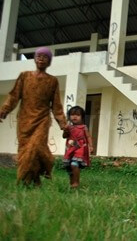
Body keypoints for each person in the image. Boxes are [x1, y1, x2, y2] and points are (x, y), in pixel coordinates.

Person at [0, 47, 67, 186]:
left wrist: (63, 124)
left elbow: (56, 106)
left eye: (45, 57)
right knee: (25, 150)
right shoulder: (24, 76)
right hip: (24, 120)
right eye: (38, 56)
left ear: (49, 61)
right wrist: (4, 111)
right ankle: (32, 179)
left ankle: (28, 177)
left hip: (42, 120)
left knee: (36, 147)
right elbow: (13, 96)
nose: (41, 59)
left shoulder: (53, 81)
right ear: (34, 59)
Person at [63, 106, 93, 188]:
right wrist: (65, 130)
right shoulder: (69, 127)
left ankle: (76, 182)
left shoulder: (84, 127)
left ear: (82, 117)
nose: (74, 117)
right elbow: (64, 136)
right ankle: (72, 183)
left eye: (77, 115)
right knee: (69, 166)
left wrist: (91, 146)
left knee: (74, 164)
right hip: (70, 149)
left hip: (80, 148)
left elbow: (88, 137)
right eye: (72, 115)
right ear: (69, 117)